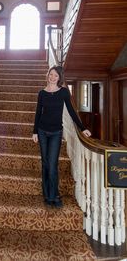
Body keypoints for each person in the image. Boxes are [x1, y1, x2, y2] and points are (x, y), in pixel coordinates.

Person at [32, 65, 91, 208]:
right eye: (51, 74)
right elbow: (38, 113)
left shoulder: (64, 92)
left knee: (52, 164)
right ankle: (47, 194)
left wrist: (82, 128)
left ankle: (55, 195)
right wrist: (34, 132)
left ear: (59, 78)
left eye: (55, 76)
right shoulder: (42, 93)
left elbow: (71, 111)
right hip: (42, 131)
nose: (52, 77)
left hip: (56, 133)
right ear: (48, 75)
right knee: (45, 163)